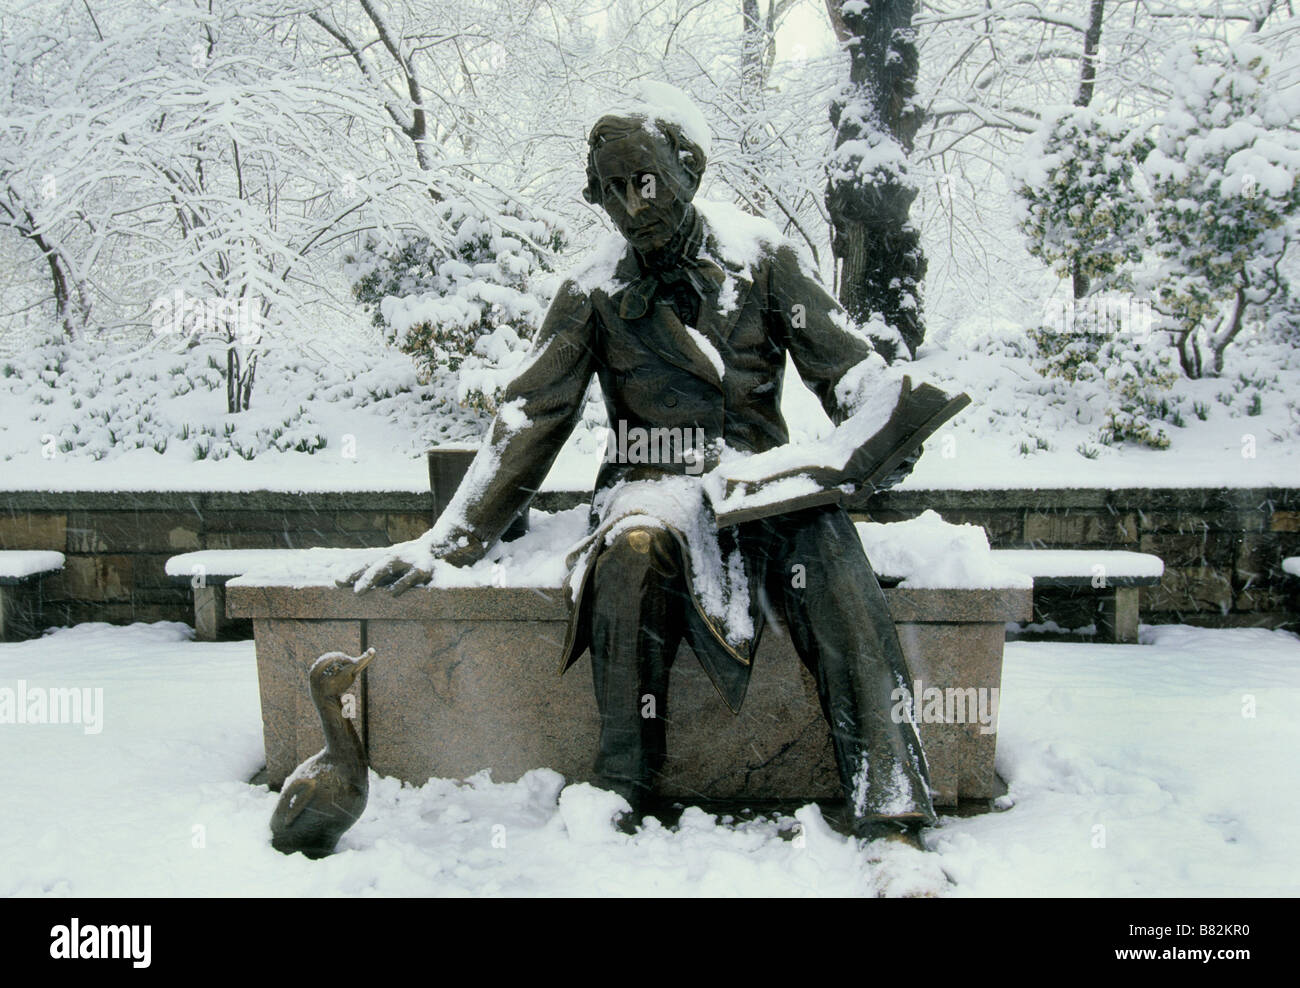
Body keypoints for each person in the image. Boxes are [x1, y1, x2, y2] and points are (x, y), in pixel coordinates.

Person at [345, 85, 936, 845]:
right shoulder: (592, 291)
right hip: (647, 483)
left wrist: (885, 418)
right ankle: (624, 780)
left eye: (645, 178)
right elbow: (533, 416)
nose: (632, 202)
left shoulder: (765, 261)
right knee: (631, 549)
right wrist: (449, 540)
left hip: (760, 482)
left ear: (688, 170)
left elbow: (846, 366)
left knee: (826, 548)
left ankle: (890, 805)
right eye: (613, 188)